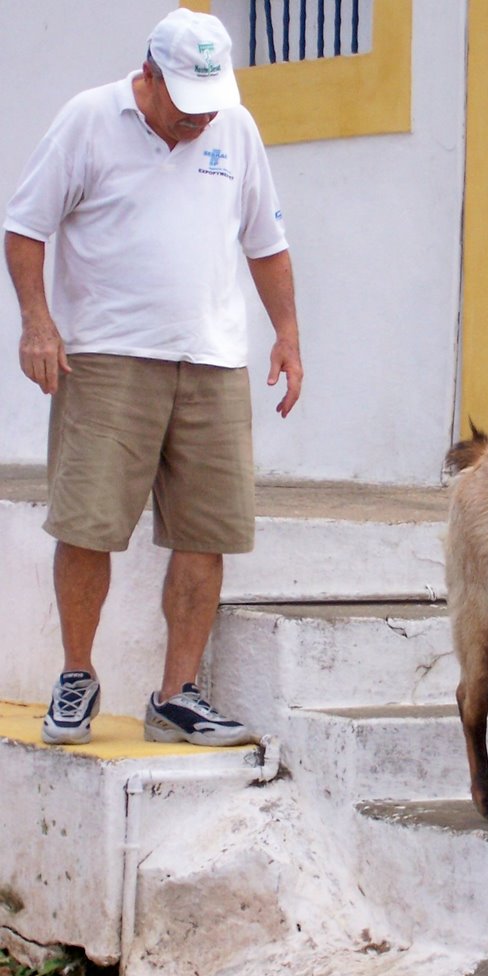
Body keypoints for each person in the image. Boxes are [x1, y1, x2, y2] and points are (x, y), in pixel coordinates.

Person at [4, 9, 303, 747]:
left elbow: (265, 242)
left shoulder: (234, 127)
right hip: (106, 357)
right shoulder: (88, 119)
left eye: (210, 104)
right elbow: (25, 226)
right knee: (89, 524)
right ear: (147, 77)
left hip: (212, 360)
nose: (200, 121)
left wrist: (288, 334)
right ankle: (77, 676)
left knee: (206, 532)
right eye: (185, 105)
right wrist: (39, 323)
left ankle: (177, 695)